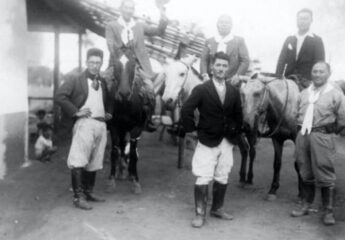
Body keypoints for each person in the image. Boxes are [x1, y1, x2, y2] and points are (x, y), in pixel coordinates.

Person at [181, 52, 243, 228]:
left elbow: (239, 115)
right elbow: (186, 110)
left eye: (224, 66)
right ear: (212, 67)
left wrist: (235, 133)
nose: (221, 69)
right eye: (218, 65)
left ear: (228, 68)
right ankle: (200, 214)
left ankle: (217, 208)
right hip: (207, 139)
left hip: (227, 141)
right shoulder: (202, 89)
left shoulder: (233, 91)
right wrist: (192, 131)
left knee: (223, 174)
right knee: (203, 175)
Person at [291, 61, 345, 226]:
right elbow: (295, 113)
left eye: (321, 72)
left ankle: (328, 211)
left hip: (323, 136)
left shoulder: (336, 94)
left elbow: (344, 119)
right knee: (304, 170)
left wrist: (330, 132)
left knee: (325, 171)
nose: (317, 74)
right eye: (315, 71)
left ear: (328, 74)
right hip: (303, 135)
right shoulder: (303, 93)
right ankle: (305, 204)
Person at [55, 48, 113, 210]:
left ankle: (88, 192)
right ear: (86, 62)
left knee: (95, 160)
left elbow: (108, 101)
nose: (95, 66)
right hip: (84, 123)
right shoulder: (76, 79)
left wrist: (108, 112)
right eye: (92, 62)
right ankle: (78, 197)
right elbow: (60, 96)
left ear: (102, 64)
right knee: (79, 159)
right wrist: (75, 111)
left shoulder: (102, 82)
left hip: (100, 125)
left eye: (98, 63)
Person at [105, 0, 168, 131]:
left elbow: (158, 31)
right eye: (126, 7)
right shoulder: (111, 25)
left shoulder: (139, 26)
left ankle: (147, 118)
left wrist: (162, 13)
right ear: (121, 9)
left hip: (138, 66)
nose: (129, 10)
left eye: (131, 8)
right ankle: (104, 116)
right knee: (105, 84)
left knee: (150, 89)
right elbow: (110, 44)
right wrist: (120, 56)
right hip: (118, 63)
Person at [276, 8, 325, 89]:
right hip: (288, 82)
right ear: (297, 20)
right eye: (300, 19)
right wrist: (277, 80)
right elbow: (281, 61)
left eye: (306, 19)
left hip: (307, 83)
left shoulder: (317, 40)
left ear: (311, 21)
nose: (303, 21)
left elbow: (319, 65)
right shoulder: (289, 39)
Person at [200, 14, 250, 83]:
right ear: (217, 25)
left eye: (227, 23)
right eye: (221, 22)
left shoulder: (239, 41)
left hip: (231, 80)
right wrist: (204, 75)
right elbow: (204, 60)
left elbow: (245, 61)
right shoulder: (210, 41)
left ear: (231, 25)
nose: (224, 25)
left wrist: (238, 75)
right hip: (211, 79)